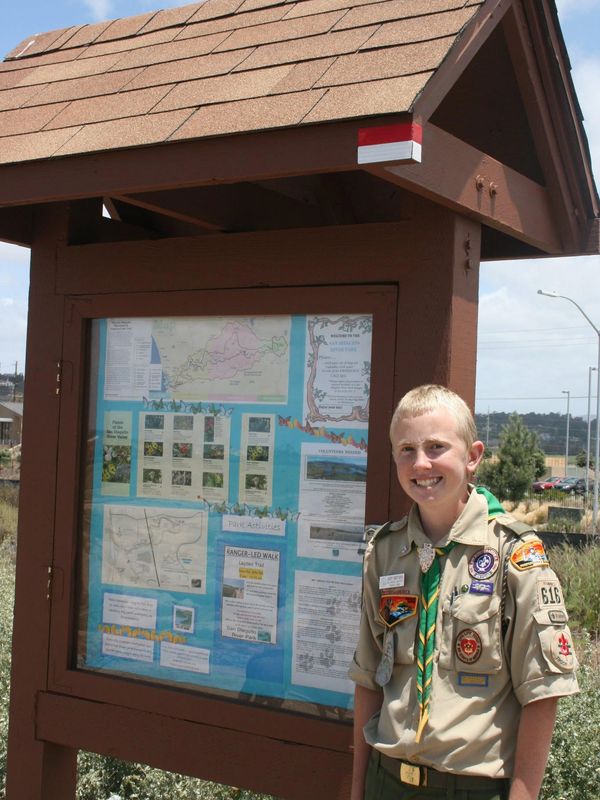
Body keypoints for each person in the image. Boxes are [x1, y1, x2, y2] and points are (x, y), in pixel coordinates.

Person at [349, 385, 578, 800]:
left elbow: (542, 694)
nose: (421, 463)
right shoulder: (384, 553)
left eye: (436, 447)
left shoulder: (513, 554)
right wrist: (358, 789)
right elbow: (368, 678)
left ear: (472, 456)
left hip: (471, 788)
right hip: (387, 780)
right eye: (406, 449)